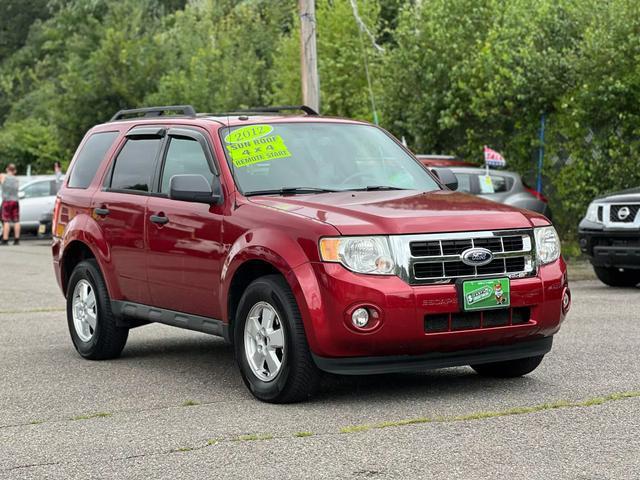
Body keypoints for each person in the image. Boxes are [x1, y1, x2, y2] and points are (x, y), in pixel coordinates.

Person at [0, 163, 20, 245]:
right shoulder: (16, 179)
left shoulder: (3, 176)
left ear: (7, 169)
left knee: (6, 220)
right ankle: (17, 239)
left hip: (7, 201)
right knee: (16, 220)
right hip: (15, 201)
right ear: (14, 170)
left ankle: (5, 239)